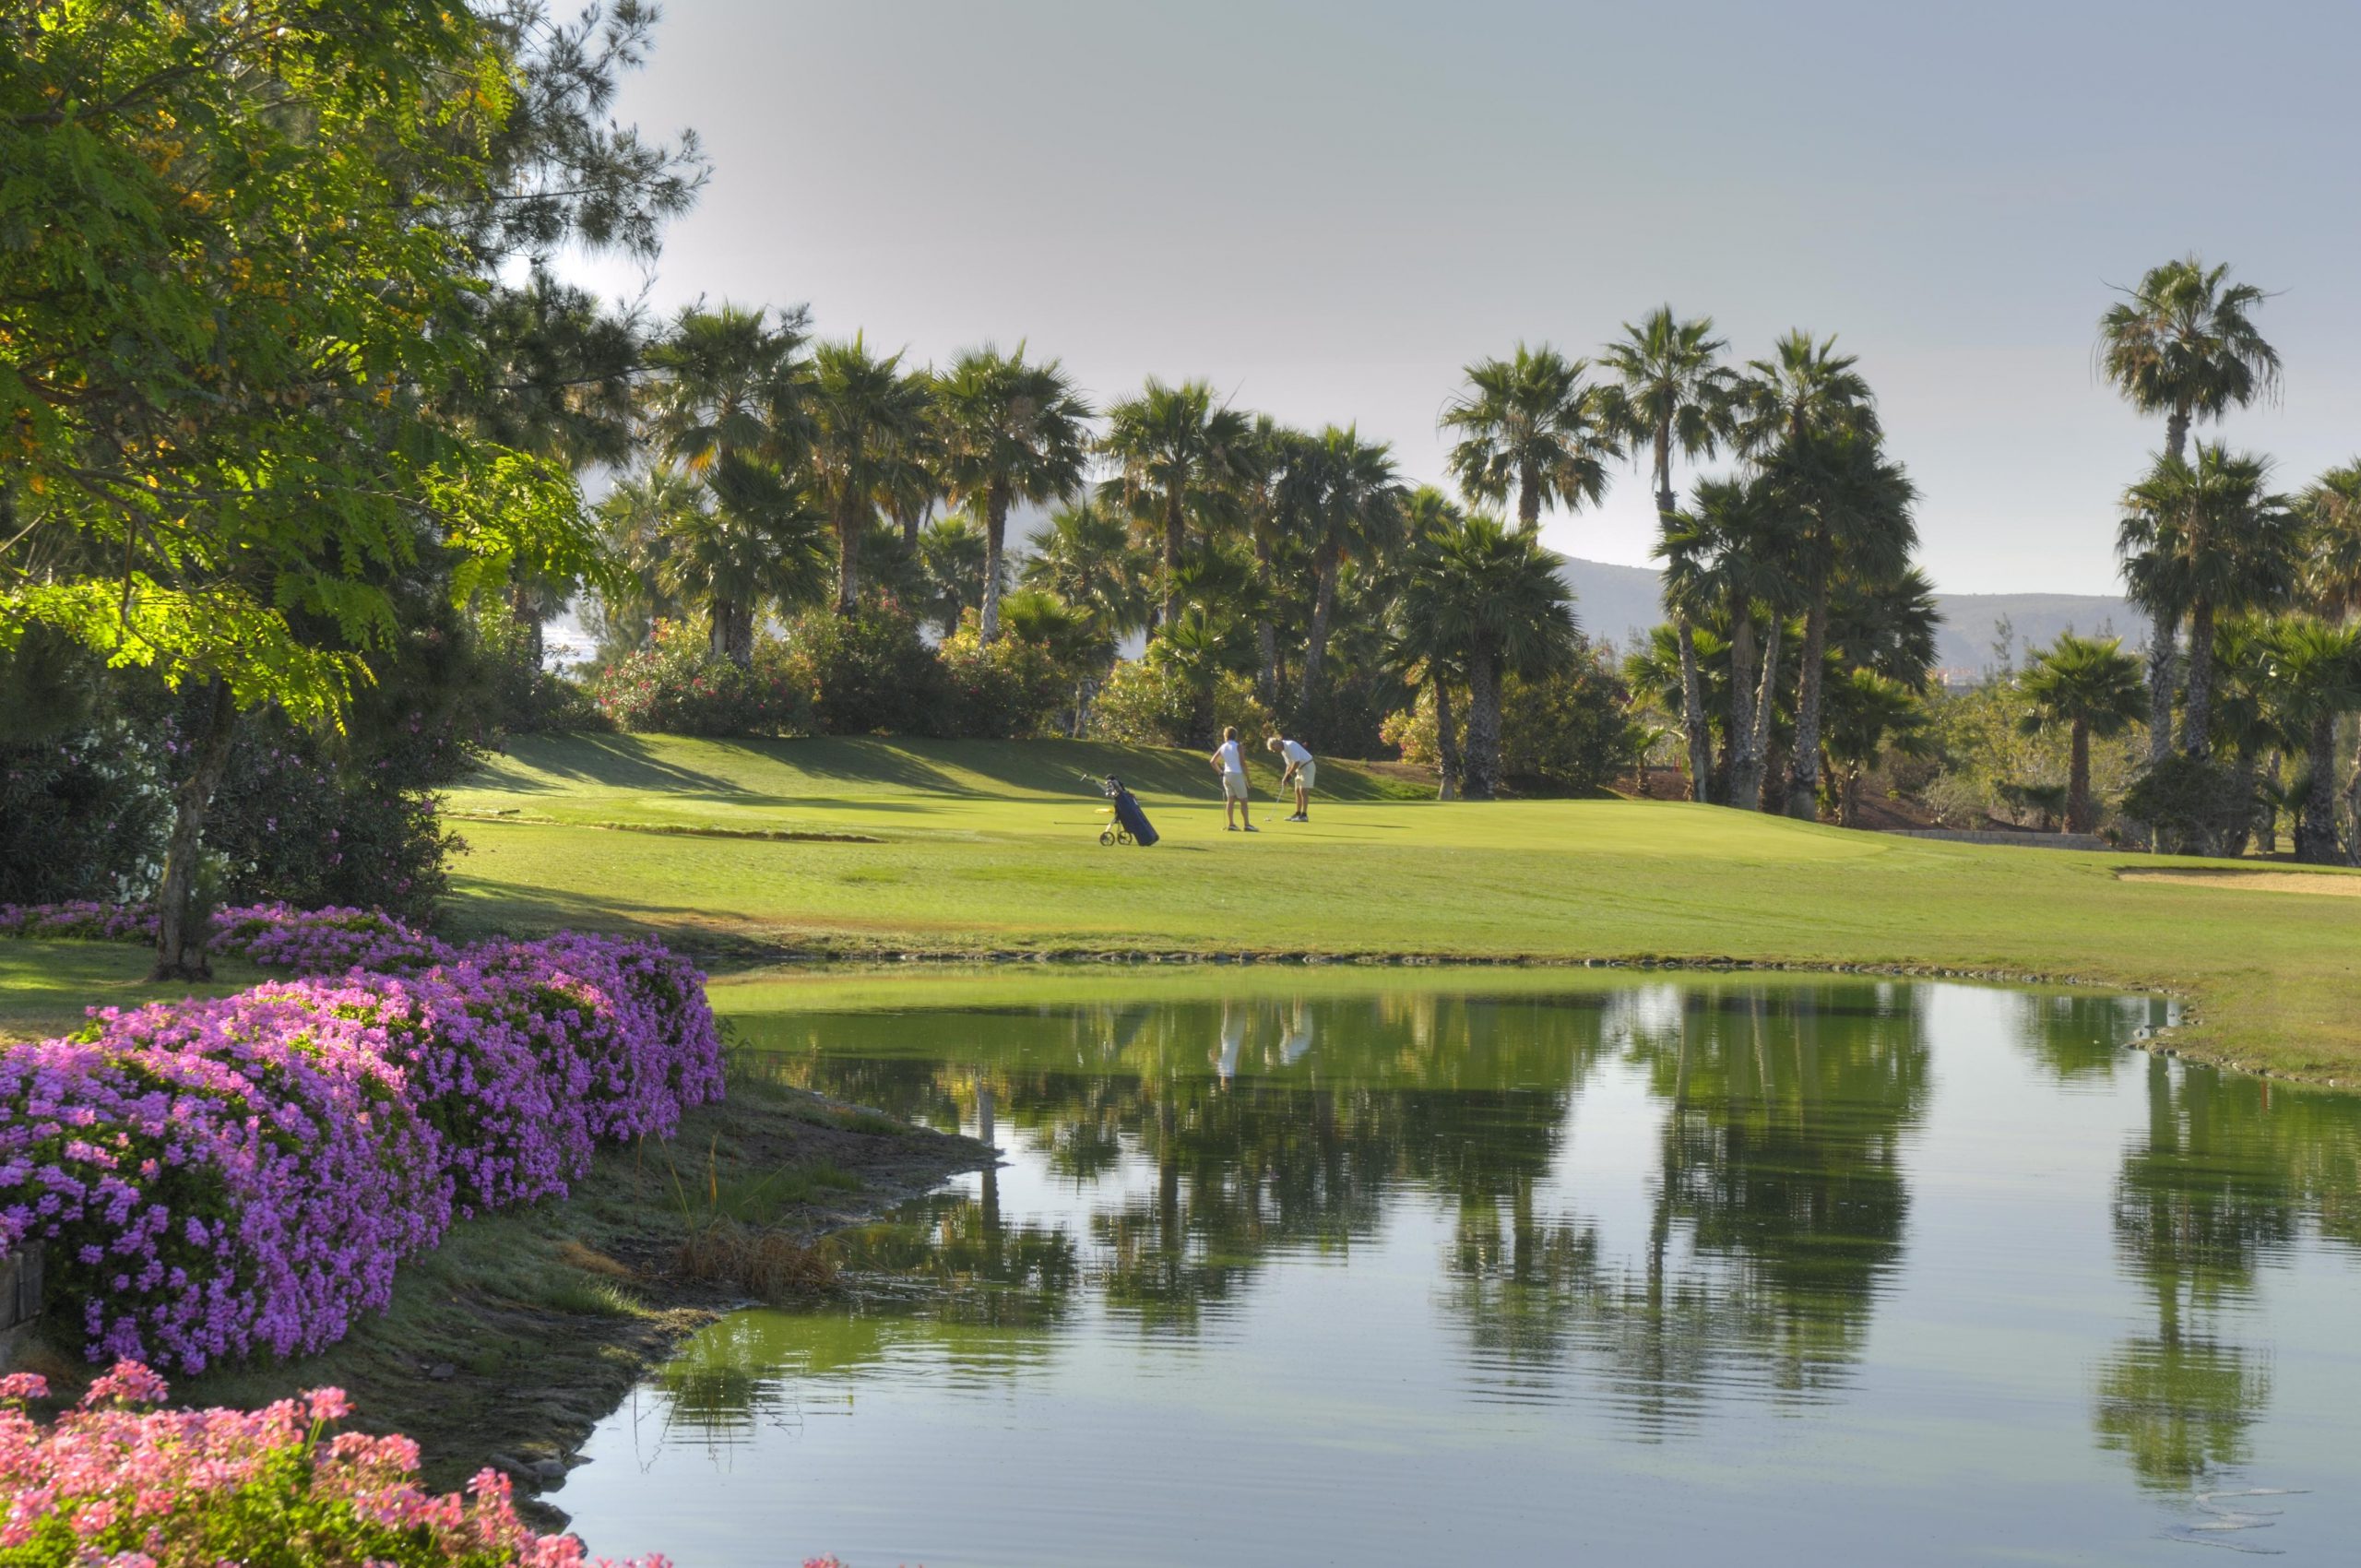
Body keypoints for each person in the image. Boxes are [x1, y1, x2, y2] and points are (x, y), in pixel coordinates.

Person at [1211, 727, 1255, 831]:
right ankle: (1247, 825)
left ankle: (1231, 824)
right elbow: (1243, 763)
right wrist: (1248, 778)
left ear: (1225, 735)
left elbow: (1213, 761)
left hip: (1226, 775)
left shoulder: (1223, 746)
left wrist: (1220, 772)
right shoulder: (1238, 747)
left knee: (1230, 800)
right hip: (1237, 774)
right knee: (1243, 800)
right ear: (1235, 735)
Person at [1267, 734, 1316, 821]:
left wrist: (1289, 775)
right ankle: (1298, 813)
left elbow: (1296, 762)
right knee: (1297, 791)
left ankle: (1304, 815)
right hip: (1299, 769)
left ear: (1277, 743)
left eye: (1274, 749)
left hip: (1307, 766)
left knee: (1303, 790)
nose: (1275, 751)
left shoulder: (1291, 745)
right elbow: (1289, 765)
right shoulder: (1283, 751)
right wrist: (1284, 777)